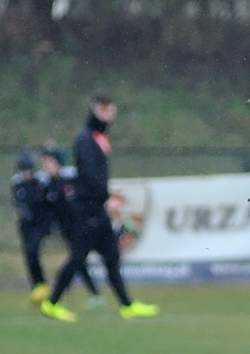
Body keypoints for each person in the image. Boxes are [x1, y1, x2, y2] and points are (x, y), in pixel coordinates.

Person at [41, 93, 159, 322]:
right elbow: (90, 175)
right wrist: (106, 197)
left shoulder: (97, 137)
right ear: (95, 111)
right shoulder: (86, 139)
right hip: (87, 210)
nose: (109, 115)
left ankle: (127, 305)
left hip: (97, 208)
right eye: (104, 110)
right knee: (78, 258)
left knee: (111, 256)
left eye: (111, 111)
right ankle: (51, 302)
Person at [38, 146, 105, 308]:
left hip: (82, 228)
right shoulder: (48, 185)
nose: (46, 166)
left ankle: (57, 296)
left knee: (78, 261)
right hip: (67, 230)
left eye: (49, 162)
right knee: (78, 262)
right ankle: (91, 293)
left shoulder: (69, 180)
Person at [12, 150, 51, 304]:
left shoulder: (40, 182)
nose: (25, 174)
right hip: (26, 226)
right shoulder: (16, 184)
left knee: (32, 249)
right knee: (29, 255)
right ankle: (38, 285)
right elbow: (18, 203)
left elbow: (46, 204)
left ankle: (41, 284)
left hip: (39, 224)